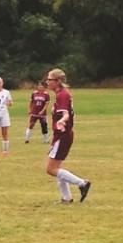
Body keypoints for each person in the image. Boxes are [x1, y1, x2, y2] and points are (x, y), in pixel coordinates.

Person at [45, 67, 91, 204]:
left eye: (50, 79)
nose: (47, 82)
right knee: (57, 168)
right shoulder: (61, 94)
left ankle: (82, 183)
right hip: (62, 135)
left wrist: (62, 120)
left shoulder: (62, 95)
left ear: (58, 81)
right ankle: (66, 198)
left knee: (51, 169)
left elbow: (65, 114)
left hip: (63, 135)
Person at [25, 79, 50, 144]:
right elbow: (31, 102)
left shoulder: (46, 94)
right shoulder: (34, 93)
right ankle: (27, 138)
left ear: (44, 87)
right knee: (31, 124)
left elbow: (46, 104)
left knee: (44, 125)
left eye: (41, 86)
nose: (40, 87)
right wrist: (29, 110)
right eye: (39, 85)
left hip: (42, 113)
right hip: (34, 112)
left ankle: (46, 139)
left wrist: (42, 111)